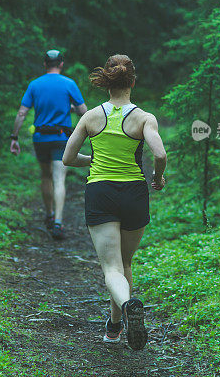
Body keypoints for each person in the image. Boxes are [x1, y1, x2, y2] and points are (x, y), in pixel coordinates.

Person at [62, 54, 166, 350]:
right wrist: (158, 178)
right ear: (132, 81)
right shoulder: (145, 118)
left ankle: (126, 310)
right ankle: (115, 326)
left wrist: (93, 160)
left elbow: (68, 158)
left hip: (101, 191)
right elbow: (159, 154)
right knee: (126, 263)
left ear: (107, 83)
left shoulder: (91, 116)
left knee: (111, 268)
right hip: (134, 192)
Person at [10, 49, 87, 239]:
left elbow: (21, 113)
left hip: (40, 139)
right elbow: (83, 112)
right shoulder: (69, 84)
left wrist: (14, 137)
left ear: (45, 64)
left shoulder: (35, 85)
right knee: (59, 178)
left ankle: (49, 214)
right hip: (61, 138)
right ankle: (59, 224)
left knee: (45, 176)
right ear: (61, 64)